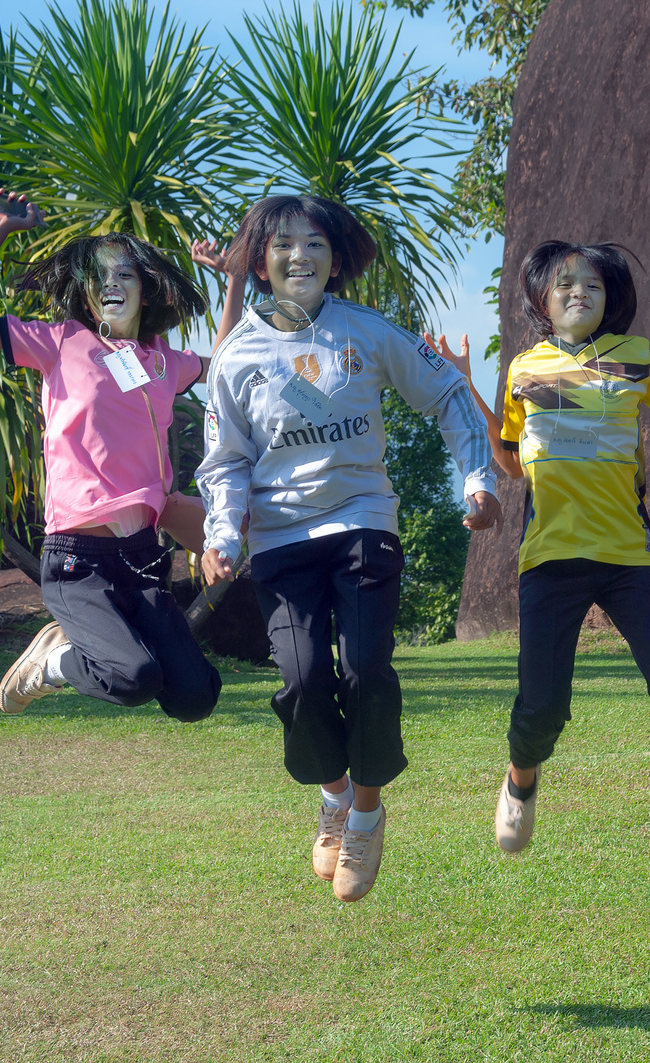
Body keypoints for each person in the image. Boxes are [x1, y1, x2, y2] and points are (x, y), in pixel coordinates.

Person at [195, 194, 500, 904]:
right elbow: (223, 461)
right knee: (302, 682)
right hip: (279, 541)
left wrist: (477, 481)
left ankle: (365, 813)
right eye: (282, 246)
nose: (298, 257)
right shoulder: (236, 354)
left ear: (336, 260)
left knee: (365, 669)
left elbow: (449, 394)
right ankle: (333, 795)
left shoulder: (365, 331)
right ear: (258, 262)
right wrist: (219, 534)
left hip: (363, 523)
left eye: (313, 245)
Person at [429, 240, 650, 870]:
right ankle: (520, 780)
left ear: (611, 300)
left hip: (628, 557)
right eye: (564, 285)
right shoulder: (524, 369)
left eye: (593, 285)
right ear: (542, 302)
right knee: (542, 705)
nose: (579, 293)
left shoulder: (636, 360)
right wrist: (469, 382)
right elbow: (508, 461)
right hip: (549, 559)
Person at [0, 188, 221, 723]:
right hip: (77, 560)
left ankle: (97, 649)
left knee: (196, 696)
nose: (112, 284)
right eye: (100, 276)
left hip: (141, 555)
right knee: (131, 678)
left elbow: (229, 364)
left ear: (147, 289)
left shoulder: (164, 362)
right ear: (86, 294)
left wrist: (236, 278)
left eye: (125, 274)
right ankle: (53, 663)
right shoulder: (61, 342)